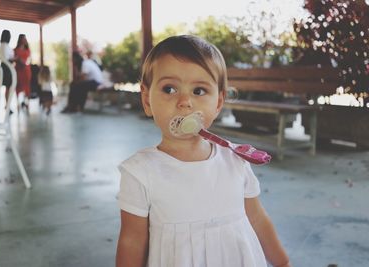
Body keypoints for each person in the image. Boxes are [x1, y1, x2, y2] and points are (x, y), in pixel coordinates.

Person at [116, 35, 291, 267]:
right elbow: (132, 241)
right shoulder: (140, 171)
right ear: (147, 100)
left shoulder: (235, 160)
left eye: (199, 91)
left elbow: (257, 219)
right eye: (169, 89)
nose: (185, 101)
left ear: (218, 103)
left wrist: (283, 263)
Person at [14, 33, 32, 112]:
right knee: (18, 87)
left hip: (26, 70)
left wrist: (24, 62)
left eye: (25, 38)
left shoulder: (27, 49)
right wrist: (18, 60)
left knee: (27, 87)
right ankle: (18, 103)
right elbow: (14, 58)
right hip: (18, 70)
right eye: (23, 38)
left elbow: (29, 59)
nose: (24, 40)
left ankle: (26, 103)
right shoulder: (15, 50)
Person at [0, 29, 15, 114]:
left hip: (8, 67)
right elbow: (6, 58)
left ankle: (7, 105)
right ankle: (7, 105)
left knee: (8, 88)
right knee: (8, 87)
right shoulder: (4, 45)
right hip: (6, 67)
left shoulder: (5, 45)